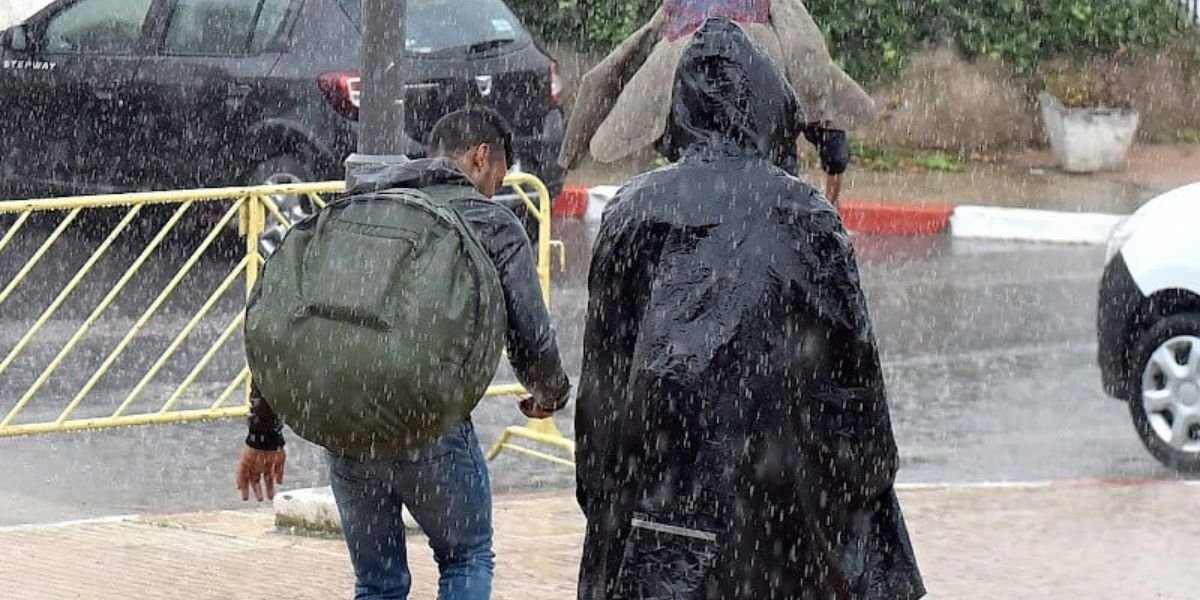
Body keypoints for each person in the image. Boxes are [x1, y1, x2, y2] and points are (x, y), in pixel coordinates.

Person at [574, 18, 924, 600]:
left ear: (681, 113)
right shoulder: (807, 218)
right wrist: (861, 491)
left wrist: (608, 505)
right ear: (770, 112)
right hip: (782, 521)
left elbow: (604, 388)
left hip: (659, 518)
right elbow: (854, 393)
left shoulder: (632, 213)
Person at [236, 107, 572, 600]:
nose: (494, 191)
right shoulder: (491, 222)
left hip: (346, 425)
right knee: (466, 557)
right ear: (481, 157)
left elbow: (289, 323)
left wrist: (263, 434)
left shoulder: (362, 205)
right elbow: (532, 337)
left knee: (377, 582)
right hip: (430, 423)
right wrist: (550, 396)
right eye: (496, 178)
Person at [558, 0, 870, 206]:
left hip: (693, 191)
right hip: (770, 189)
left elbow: (612, 71)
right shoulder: (778, 18)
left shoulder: (677, 14)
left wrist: (570, 156)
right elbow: (810, 64)